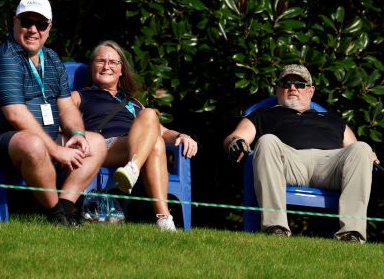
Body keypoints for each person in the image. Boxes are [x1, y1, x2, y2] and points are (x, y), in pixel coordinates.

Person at [0, 0, 106, 226]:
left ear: (49, 28)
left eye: (41, 24)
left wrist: (78, 135)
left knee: (96, 142)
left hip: (43, 136)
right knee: (33, 144)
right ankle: (55, 214)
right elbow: (15, 115)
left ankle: (63, 209)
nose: (33, 29)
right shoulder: (6, 59)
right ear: (14, 23)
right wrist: (55, 149)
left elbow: (66, 107)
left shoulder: (51, 58)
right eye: (26, 22)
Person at [224, 64, 378, 243]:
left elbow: (355, 148)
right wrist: (235, 143)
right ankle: (276, 229)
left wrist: (369, 154)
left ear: (310, 90)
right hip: (288, 161)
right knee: (266, 141)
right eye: (286, 83)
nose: (292, 88)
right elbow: (234, 137)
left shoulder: (332, 119)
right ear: (277, 89)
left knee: (362, 148)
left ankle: (351, 235)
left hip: (329, 165)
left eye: (299, 84)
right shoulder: (262, 115)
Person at [71, 40, 198, 231]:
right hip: (102, 146)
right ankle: (160, 212)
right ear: (92, 68)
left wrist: (182, 135)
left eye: (113, 62)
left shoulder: (133, 102)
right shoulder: (79, 96)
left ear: (121, 70)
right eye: (101, 61)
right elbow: (65, 122)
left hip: (135, 147)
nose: (107, 66)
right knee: (150, 118)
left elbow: (162, 132)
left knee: (154, 134)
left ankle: (163, 218)